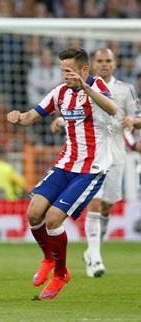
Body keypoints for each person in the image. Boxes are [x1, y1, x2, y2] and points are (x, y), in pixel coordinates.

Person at [7, 46, 117, 300]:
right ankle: (48, 258)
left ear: (84, 69)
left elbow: (112, 109)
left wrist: (86, 88)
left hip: (91, 169)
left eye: (69, 71)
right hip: (66, 164)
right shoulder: (59, 92)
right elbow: (30, 117)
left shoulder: (97, 86)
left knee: (54, 219)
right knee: (34, 213)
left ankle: (60, 272)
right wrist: (17, 116)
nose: (65, 75)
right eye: (63, 70)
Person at [50, 48, 138, 278]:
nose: (105, 64)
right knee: (95, 204)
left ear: (115, 64)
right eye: (100, 60)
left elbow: (137, 117)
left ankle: (92, 250)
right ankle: (95, 258)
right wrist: (60, 120)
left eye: (109, 60)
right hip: (92, 158)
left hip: (117, 154)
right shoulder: (82, 87)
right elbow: (76, 114)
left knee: (107, 207)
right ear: (93, 64)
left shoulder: (125, 90)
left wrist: (134, 120)